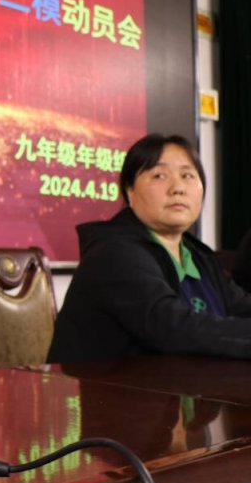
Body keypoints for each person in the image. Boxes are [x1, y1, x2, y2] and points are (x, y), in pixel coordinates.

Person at [47, 133, 251, 364]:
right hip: (106, 386)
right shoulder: (113, 253)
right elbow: (173, 328)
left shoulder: (199, 257)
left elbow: (241, 306)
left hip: (182, 384)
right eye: (159, 176)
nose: (178, 188)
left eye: (187, 175)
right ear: (130, 191)